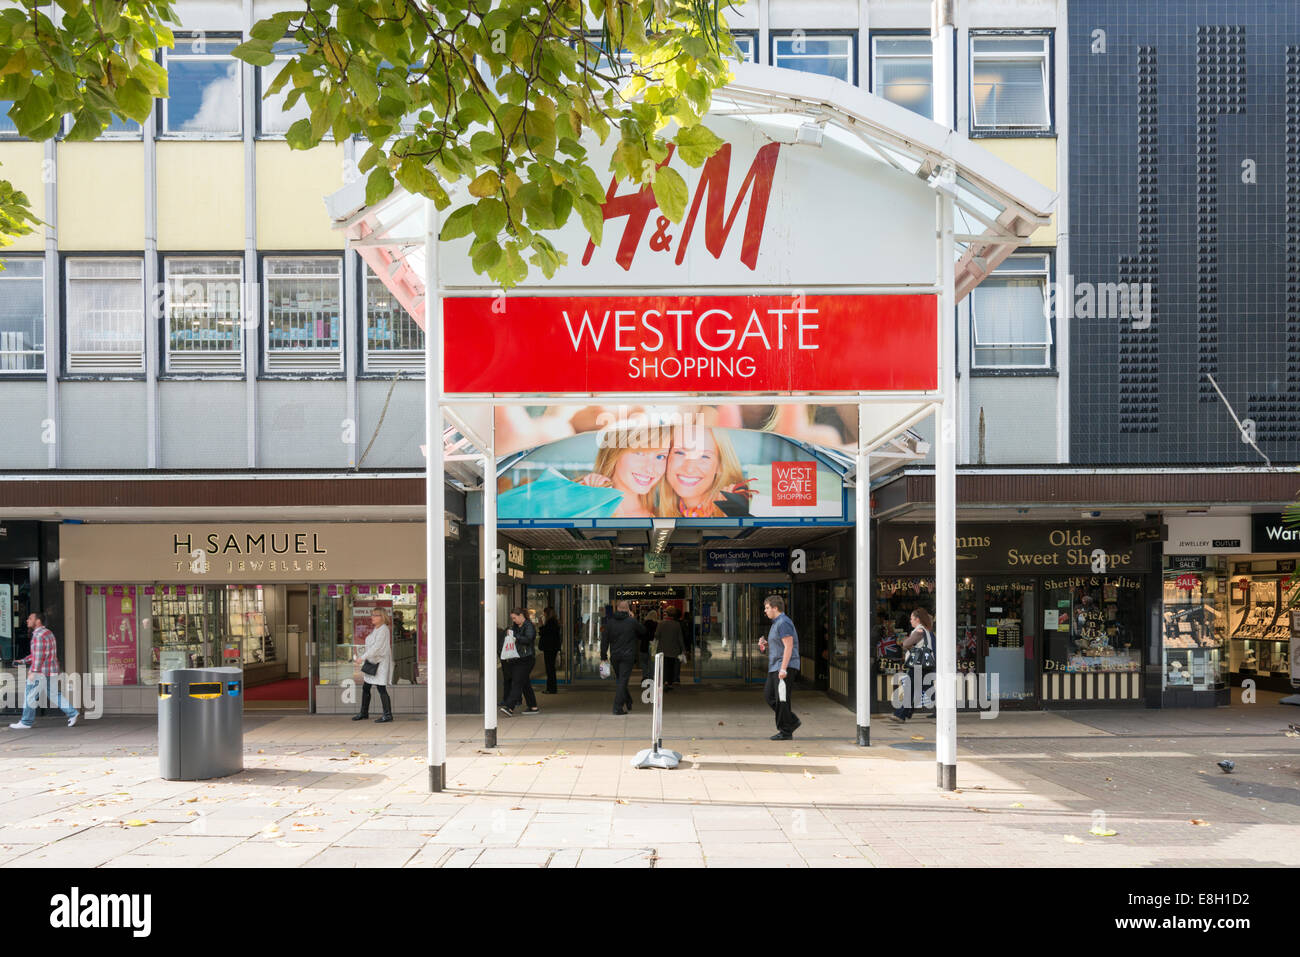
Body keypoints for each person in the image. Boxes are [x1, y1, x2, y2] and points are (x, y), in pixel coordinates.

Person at [577, 425, 671, 518]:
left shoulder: (665, 517)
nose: (650, 469)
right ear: (614, 453)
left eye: (660, 457)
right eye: (639, 453)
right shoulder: (582, 506)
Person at [659, 424, 753, 518]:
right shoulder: (660, 513)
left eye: (704, 456)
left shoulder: (740, 505)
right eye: (680, 452)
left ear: (720, 466)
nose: (689, 469)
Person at [9, 612, 78, 730]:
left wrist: (33, 671)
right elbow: (39, 654)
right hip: (51, 670)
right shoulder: (48, 633)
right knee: (54, 694)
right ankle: (72, 713)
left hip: (40, 672)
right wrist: (23, 661)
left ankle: (26, 722)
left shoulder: (38, 635)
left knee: (30, 696)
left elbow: (39, 655)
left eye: (30, 618)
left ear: (38, 621)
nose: (27, 620)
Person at [757, 595, 801, 741]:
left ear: (776, 608)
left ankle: (786, 730)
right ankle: (791, 721)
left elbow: (789, 646)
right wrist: (766, 644)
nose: (765, 611)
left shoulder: (783, 623)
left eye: (767, 608)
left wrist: (783, 669)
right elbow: (781, 644)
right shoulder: (776, 623)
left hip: (783, 666)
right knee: (770, 696)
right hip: (775, 666)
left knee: (781, 699)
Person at [600, 600, 644, 715]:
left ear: (617, 609)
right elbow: (643, 632)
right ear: (628, 609)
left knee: (621, 680)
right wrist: (634, 618)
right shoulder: (631, 621)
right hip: (628, 656)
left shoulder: (610, 622)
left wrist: (603, 655)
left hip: (615, 656)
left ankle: (628, 700)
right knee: (623, 681)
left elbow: (604, 640)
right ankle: (617, 707)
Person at [892, 608, 934, 724]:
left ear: (917, 619)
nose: (910, 621)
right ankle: (904, 713)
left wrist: (906, 642)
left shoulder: (919, 630)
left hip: (918, 665)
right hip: (924, 664)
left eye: (911, 619)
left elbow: (906, 643)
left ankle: (901, 714)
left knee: (911, 689)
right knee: (922, 689)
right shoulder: (925, 630)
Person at [353, 608, 394, 723]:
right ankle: (364, 712)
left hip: (379, 663)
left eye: (375, 615)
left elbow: (377, 648)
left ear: (382, 617)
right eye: (372, 615)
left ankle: (388, 714)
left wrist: (362, 657)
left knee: (381, 688)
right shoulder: (376, 629)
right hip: (372, 663)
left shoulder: (383, 630)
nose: (372, 617)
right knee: (366, 687)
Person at [500, 608, 540, 717]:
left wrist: (514, 637)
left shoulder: (529, 626)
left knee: (517, 682)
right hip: (518, 658)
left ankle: (510, 707)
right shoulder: (516, 626)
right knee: (525, 683)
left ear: (521, 615)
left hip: (527, 659)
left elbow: (528, 639)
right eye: (512, 618)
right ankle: (533, 706)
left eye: (514, 618)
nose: (514, 620)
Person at [654, 606, 686, 689]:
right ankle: (670, 681)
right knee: (672, 666)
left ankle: (665, 681)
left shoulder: (661, 623)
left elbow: (656, 635)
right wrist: (683, 649)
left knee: (664, 667)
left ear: (667, 613)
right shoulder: (677, 624)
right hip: (674, 650)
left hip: (662, 649)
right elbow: (680, 638)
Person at [538, 606, 561, 695]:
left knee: (549, 668)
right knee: (551, 668)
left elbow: (544, 633)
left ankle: (551, 688)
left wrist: (540, 625)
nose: (543, 615)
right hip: (552, 648)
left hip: (549, 648)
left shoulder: (551, 622)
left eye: (544, 613)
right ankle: (552, 688)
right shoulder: (554, 621)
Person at [640, 609, 659, 678]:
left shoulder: (643, 624)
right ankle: (651, 677)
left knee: (644, 663)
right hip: (653, 646)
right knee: (652, 662)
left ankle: (645, 677)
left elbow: (640, 635)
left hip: (644, 646)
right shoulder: (657, 625)